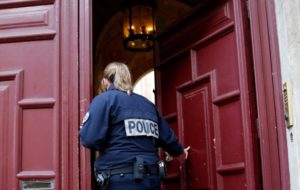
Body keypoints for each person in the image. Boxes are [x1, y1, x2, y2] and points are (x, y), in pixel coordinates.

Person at [79, 62, 190, 190]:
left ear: (105, 81)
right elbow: (168, 138)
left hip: (119, 179)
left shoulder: (104, 100)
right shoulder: (147, 104)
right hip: (151, 179)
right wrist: (180, 151)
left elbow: (89, 139)